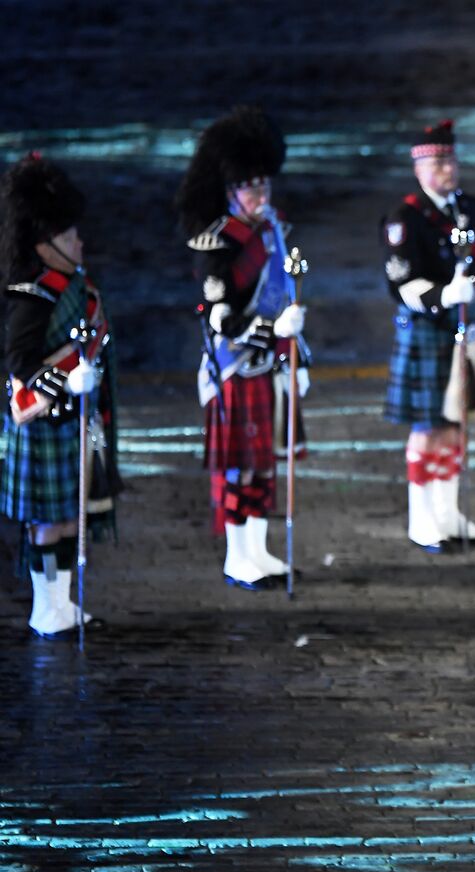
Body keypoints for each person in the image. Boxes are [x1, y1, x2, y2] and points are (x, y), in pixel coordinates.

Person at [175, 106, 308, 590]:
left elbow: (285, 291)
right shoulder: (216, 244)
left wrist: (298, 347)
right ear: (230, 191)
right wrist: (274, 331)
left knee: (263, 463)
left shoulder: (273, 230)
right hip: (235, 365)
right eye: (250, 186)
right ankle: (237, 556)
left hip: (271, 363)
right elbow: (221, 318)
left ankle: (260, 549)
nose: (261, 194)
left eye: (264, 184)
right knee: (239, 466)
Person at [1, 154, 119, 638]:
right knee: (48, 522)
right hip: (46, 421)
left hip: (76, 421)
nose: (80, 242)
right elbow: (19, 361)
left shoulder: (79, 286)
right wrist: (65, 381)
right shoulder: (32, 295)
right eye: (69, 237)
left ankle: (64, 602)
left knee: (72, 517)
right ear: (44, 245)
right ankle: (47, 605)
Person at [381, 119, 475, 551]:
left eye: (452, 159)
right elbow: (399, 284)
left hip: (463, 330)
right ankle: (421, 518)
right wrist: (444, 295)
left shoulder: (469, 208)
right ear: (419, 167)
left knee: (455, 425)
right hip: (427, 328)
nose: (449, 169)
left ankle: (448, 513)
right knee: (427, 428)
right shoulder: (405, 218)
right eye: (439, 161)